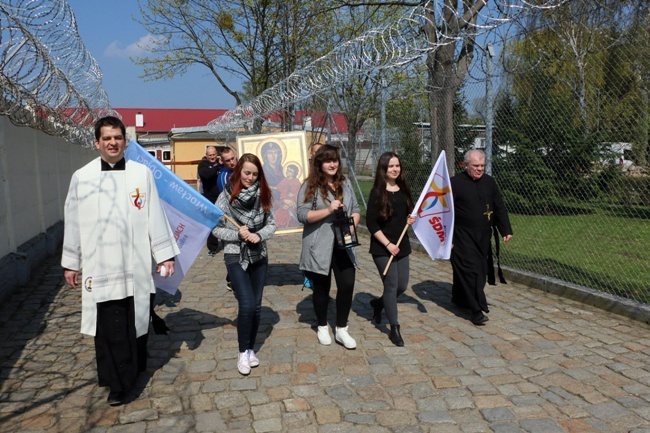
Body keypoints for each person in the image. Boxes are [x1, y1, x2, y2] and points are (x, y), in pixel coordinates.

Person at [61, 116, 179, 406]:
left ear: (125, 141)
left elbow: (154, 214)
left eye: (118, 137)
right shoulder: (83, 176)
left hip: (135, 263)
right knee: (110, 326)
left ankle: (136, 366)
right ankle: (118, 384)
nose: (113, 142)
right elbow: (73, 222)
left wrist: (164, 255)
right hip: (101, 266)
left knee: (136, 319)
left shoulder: (141, 174)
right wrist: (71, 262)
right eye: (107, 138)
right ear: (97, 142)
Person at [212, 154, 276, 375]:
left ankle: (250, 349)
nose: (250, 177)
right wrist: (237, 234)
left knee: (256, 306)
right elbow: (216, 228)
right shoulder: (226, 196)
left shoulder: (264, 194)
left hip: (259, 254)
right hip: (235, 255)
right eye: (247, 172)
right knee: (246, 304)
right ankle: (241, 352)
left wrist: (259, 235)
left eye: (255, 174)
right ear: (239, 171)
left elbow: (272, 224)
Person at [297, 144, 360, 349]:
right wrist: (328, 210)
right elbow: (302, 215)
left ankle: (342, 329)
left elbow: (356, 209)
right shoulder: (310, 186)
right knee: (322, 288)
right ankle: (323, 326)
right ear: (319, 163)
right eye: (327, 160)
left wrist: (352, 227)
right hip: (319, 244)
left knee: (347, 284)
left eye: (335, 160)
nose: (332, 164)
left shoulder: (345, 183)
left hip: (343, 244)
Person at [450, 149, 513, 325]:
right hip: (461, 235)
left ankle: (459, 298)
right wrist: (448, 239)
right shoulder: (455, 183)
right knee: (470, 271)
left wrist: (505, 229)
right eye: (476, 166)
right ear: (465, 165)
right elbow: (445, 213)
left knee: (479, 269)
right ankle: (476, 309)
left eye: (482, 166)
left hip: (483, 236)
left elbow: (498, 206)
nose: (480, 169)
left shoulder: (489, 182)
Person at [365, 152, 416, 346]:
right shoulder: (377, 192)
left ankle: (379, 303)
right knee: (391, 284)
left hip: (402, 245)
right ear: (384, 169)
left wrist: (411, 218)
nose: (395, 169)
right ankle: (394, 328)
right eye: (391, 166)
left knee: (402, 285)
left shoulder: (403, 189)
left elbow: (408, 213)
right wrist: (387, 244)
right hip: (382, 247)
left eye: (397, 165)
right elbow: (371, 223)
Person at [216, 146, 238, 290]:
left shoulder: (244, 169)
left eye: (232, 158)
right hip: (232, 220)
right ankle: (232, 278)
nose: (231, 162)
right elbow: (230, 200)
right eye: (227, 160)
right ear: (222, 161)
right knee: (232, 250)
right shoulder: (224, 177)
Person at [198, 146, 222, 256]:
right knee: (211, 223)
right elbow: (207, 174)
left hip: (222, 196)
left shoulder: (222, 164)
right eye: (210, 155)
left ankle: (228, 244)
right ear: (207, 155)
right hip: (209, 198)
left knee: (225, 222)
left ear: (216, 154)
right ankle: (212, 247)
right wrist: (218, 165)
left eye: (214, 155)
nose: (212, 157)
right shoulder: (203, 165)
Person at [274, 164, 301, 229]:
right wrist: (268, 186)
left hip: (292, 201)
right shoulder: (284, 180)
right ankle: (280, 226)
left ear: (294, 173)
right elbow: (278, 188)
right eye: (287, 170)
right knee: (278, 213)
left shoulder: (296, 181)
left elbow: (300, 192)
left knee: (286, 213)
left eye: (290, 171)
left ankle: (287, 224)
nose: (288, 172)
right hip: (283, 200)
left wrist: (294, 195)